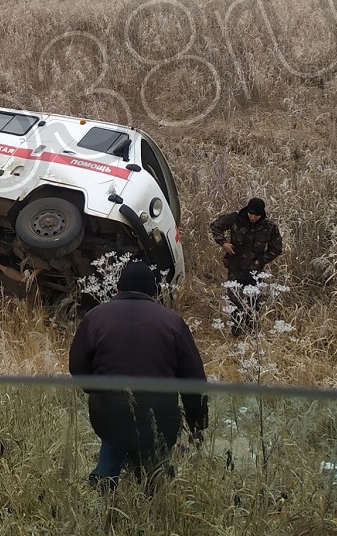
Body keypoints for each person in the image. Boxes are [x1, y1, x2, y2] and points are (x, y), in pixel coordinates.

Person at [68, 261, 208, 490]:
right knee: (155, 463)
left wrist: (99, 393)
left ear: (118, 290)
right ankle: (153, 502)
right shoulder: (172, 321)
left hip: (108, 410)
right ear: (153, 294)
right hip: (159, 412)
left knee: (113, 443)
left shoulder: (95, 317)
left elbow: (77, 367)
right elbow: (193, 379)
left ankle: (103, 492)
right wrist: (197, 423)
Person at [209, 197, 283, 335]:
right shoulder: (235, 219)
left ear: (262, 214)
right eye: (251, 213)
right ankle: (236, 331)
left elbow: (277, 248)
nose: (253, 217)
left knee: (253, 302)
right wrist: (223, 243)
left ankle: (251, 332)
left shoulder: (269, 227)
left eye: (256, 215)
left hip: (254, 271)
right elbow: (215, 226)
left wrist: (261, 260)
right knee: (235, 299)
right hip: (235, 267)